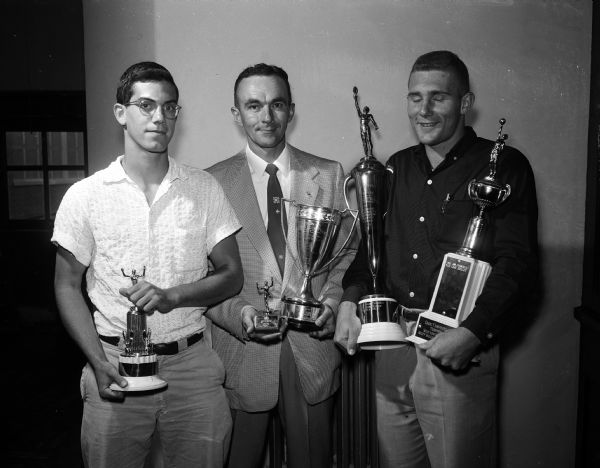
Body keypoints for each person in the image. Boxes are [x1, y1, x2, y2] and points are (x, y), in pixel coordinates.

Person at [334, 50, 539, 468]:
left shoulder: (503, 166)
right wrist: (349, 302)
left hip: (456, 348)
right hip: (391, 342)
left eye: (438, 98)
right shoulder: (395, 167)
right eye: (414, 97)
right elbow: (368, 251)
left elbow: (516, 265)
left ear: (465, 103)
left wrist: (474, 334)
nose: (423, 110)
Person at [52, 61, 243, 468]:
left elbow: (232, 275)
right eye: (146, 105)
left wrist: (174, 296)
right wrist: (97, 361)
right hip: (114, 366)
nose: (159, 117)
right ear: (121, 113)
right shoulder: (85, 196)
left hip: (191, 368)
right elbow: (66, 285)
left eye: (169, 107)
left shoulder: (204, 188)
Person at [205, 63, 356, 468]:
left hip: (311, 349)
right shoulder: (211, 183)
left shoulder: (328, 174)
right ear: (237, 114)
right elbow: (201, 276)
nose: (266, 117)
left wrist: (332, 299)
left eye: (276, 104)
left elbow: (345, 257)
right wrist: (240, 314)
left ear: (291, 110)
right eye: (253, 106)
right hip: (242, 348)